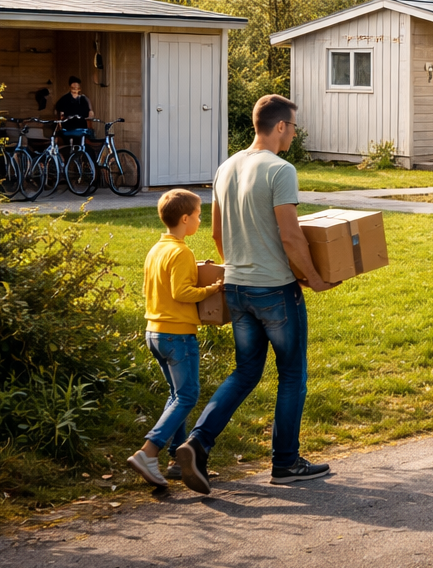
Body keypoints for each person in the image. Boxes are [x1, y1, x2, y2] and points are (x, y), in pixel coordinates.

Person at [175, 95, 339, 493]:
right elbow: (289, 234)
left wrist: (243, 266)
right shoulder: (281, 170)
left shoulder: (226, 167)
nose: (295, 134)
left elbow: (216, 234)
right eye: (294, 127)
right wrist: (313, 278)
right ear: (280, 126)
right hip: (275, 291)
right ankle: (285, 463)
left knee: (246, 370)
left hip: (235, 286)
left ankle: (197, 443)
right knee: (292, 376)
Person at [127, 189, 224, 488]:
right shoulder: (182, 251)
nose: (199, 220)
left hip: (154, 332)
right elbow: (182, 293)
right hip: (178, 335)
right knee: (187, 396)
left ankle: (175, 462)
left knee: (176, 397)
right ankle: (148, 451)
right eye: (197, 215)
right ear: (185, 218)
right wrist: (212, 289)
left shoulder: (157, 248)